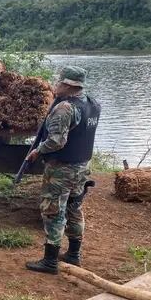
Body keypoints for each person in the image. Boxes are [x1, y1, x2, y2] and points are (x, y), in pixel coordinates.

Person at [25, 66, 101, 275]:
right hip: (82, 167)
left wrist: (37, 151)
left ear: (68, 85)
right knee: (74, 208)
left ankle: (50, 261)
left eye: (59, 82)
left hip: (62, 169)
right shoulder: (93, 104)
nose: (55, 85)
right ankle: (74, 255)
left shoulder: (65, 108)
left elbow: (57, 141)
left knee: (53, 210)